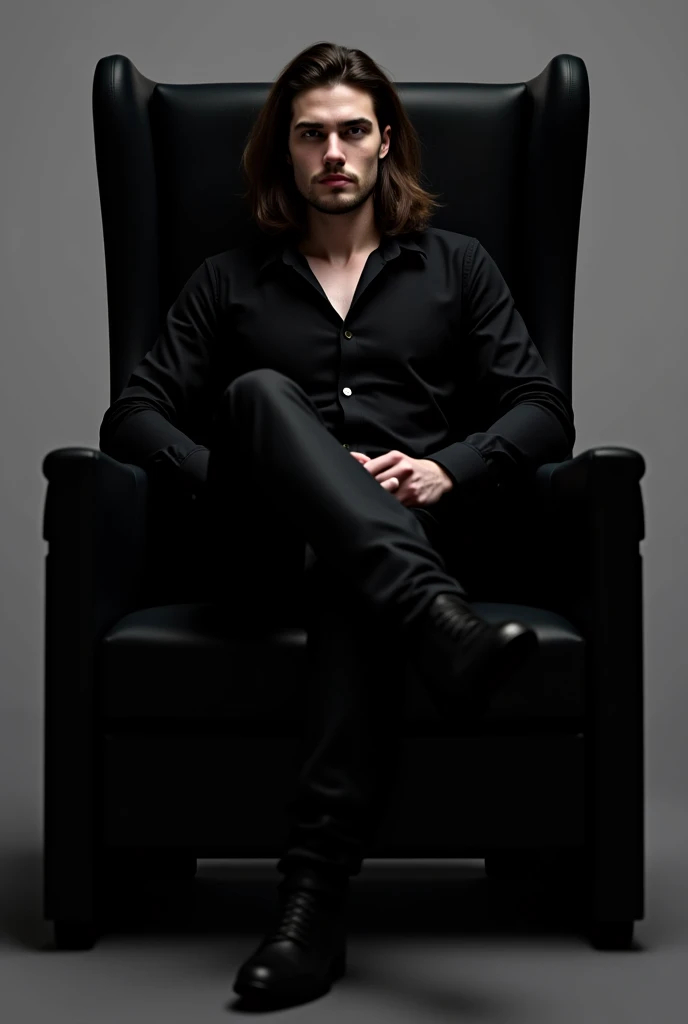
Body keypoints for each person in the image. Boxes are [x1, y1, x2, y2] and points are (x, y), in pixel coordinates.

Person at [99, 41, 575, 1009]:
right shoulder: (229, 279)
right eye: (310, 134)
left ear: (383, 142)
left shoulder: (456, 266)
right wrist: (240, 482)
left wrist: (447, 466)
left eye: (352, 130)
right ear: (284, 152)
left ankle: (308, 905)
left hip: (391, 542)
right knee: (260, 391)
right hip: (254, 542)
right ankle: (440, 627)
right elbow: (133, 415)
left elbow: (540, 407)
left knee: (349, 568)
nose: (332, 152)